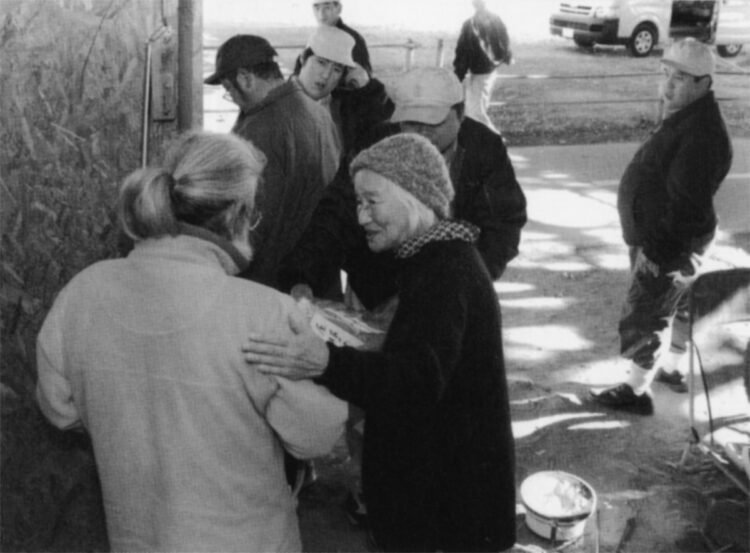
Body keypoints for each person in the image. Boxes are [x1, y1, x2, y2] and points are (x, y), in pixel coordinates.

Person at [35, 131, 347, 552]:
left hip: (137, 537)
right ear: (238, 214)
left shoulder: (84, 292)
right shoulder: (264, 312)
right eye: (252, 215)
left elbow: (59, 409)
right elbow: (316, 435)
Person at [243, 133, 517, 552]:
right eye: (358, 203)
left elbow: (414, 384)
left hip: (444, 515)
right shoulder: (435, 259)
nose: (362, 217)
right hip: (445, 500)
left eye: (372, 201)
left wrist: (326, 362)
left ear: (413, 194)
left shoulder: (444, 274)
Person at [278, 66, 526, 308]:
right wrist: (302, 274)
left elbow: (503, 226)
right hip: (376, 288)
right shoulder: (374, 143)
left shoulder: (484, 148)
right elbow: (335, 212)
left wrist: (463, 282)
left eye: (432, 123)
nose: (421, 133)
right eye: (410, 123)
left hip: (453, 289)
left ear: (460, 115)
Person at [590, 38, 733, 415]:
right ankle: (670, 369)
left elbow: (685, 207)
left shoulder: (701, 134)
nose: (668, 85)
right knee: (677, 305)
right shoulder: (689, 116)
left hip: (667, 242)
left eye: (681, 78)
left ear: (705, 83)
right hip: (671, 237)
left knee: (647, 309)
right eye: (666, 74)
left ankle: (636, 391)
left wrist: (656, 254)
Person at [204, 34, 340, 289]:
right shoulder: (319, 114)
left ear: (245, 78)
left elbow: (250, 221)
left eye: (228, 89)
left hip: (269, 284)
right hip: (315, 279)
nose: (231, 98)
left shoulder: (259, 128)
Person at [295, 25, 394, 159]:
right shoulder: (280, 103)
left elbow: (379, 123)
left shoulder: (340, 105)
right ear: (303, 59)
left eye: (337, 69)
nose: (326, 75)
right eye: (321, 62)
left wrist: (367, 87)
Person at [453, 0, 512, 134]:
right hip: (490, 71)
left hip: (480, 73)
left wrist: (458, 76)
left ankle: (495, 141)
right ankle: (487, 141)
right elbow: (505, 41)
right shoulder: (495, 19)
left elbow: (463, 53)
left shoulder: (470, 25)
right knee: (475, 110)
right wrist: (503, 58)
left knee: (474, 113)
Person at [304, 0, 371, 75]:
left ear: (338, 9)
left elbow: (363, 79)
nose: (321, 14)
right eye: (317, 8)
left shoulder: (353, 39)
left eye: (327, 8)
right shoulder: (315, 38)